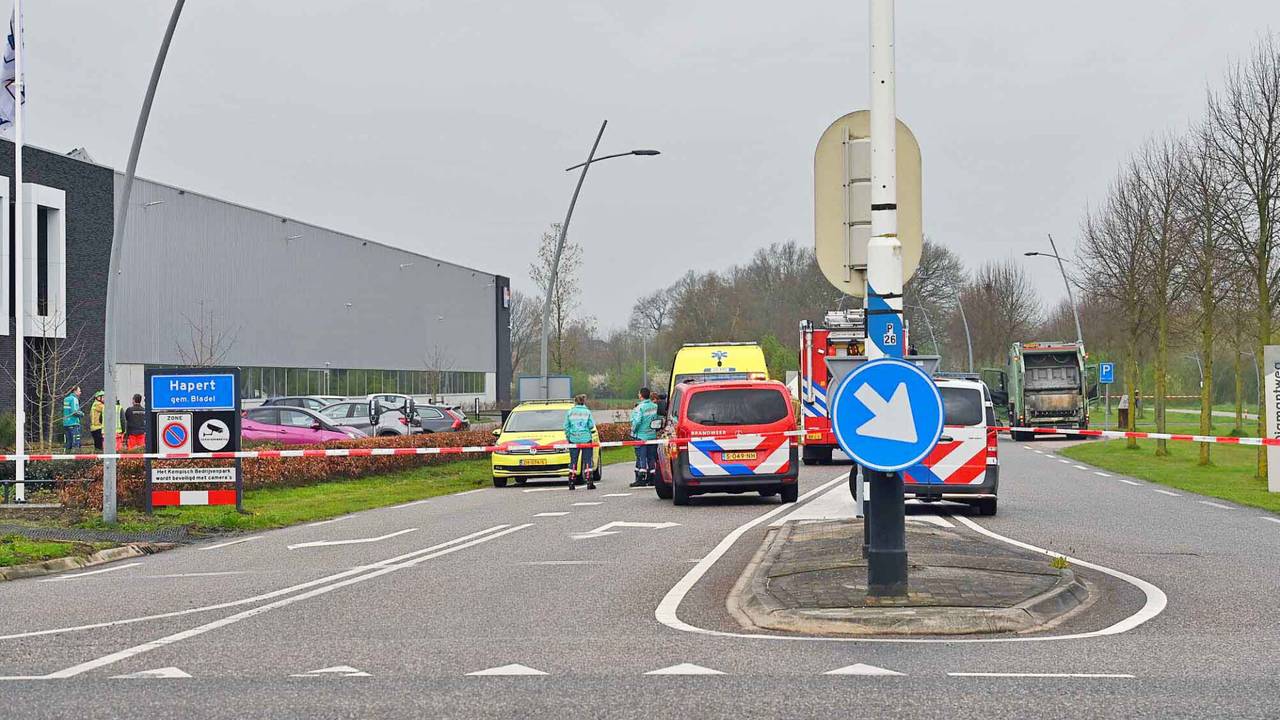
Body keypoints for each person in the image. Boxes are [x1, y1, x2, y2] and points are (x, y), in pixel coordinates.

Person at [563, 394, 596, 490]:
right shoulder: (587, 412)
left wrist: (569, 436)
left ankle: (571, 481)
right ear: (583, 402)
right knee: (587, 460)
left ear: (575, 402)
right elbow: (591, 425)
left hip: (573, 439)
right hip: (586, 438)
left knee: (573, 460)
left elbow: (566, 426)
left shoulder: (570, 412)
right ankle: (589, 480)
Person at [629, 387, 659, 487]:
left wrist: (633, 430)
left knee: (641, 457)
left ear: (641, 395)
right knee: (651, 457)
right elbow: (658, 418)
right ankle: (652, 478)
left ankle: (641, 478)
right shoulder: (655, 406)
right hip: (652, 435)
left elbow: (637, 422)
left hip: (641, 436)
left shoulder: (640, 408)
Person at [62, 385, 83, 451]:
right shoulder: (74, 399)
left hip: (66, 423)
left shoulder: (66, 399)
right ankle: (76, 459)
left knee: (68, 443)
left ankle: (67, 458)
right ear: (75, 391)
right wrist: (82, 414)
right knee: (76, 443)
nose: (80, 392)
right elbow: (74, 412)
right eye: (79, 391)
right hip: (74, 423)